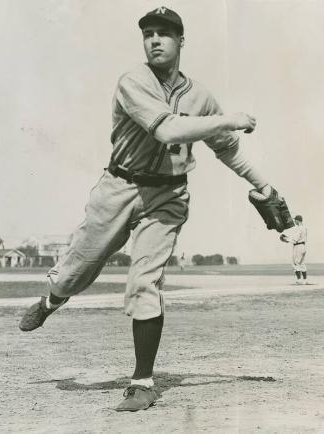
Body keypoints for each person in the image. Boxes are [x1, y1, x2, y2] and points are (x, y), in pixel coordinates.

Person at [19, 7, 272, 411]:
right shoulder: (133, 81)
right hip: (119, 186)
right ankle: (52, 300)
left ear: (181, 42)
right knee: (72, 275)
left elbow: (228, 151)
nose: (155, 39)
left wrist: (264, 185)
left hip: (168, 197)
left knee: (145, 280)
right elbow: (169, 128)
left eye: (164, 33)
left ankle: (142, 381)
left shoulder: (201, 96)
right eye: (148, 33)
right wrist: (230, 119)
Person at [280, 215, 308, 284]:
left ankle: (299, 280)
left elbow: (295, 240)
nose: (294, 221)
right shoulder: (304, 228)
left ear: (298, 220)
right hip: (303, 246)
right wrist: (288, 239)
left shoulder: (299, 228)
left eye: (295, 220)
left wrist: (286, 239)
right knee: (301, 263)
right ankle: (304, 280)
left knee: (295, 263)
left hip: (298, 246)